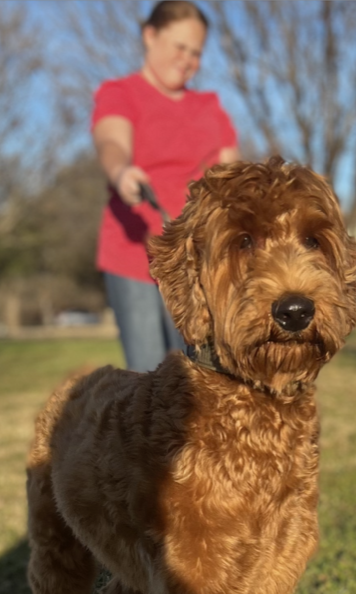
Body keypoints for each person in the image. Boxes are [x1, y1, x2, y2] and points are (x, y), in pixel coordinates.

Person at [92, 0, 240, 371]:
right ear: (150, 35)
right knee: (147, 378)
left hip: (195, 259)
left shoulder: (209, 106)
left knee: (199, 373)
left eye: (196, 52)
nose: (188, 59)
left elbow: (233, 175)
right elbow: (112, 143)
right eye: (180, 47)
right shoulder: (120, 93)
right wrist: (121, 171)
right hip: (133, 255)